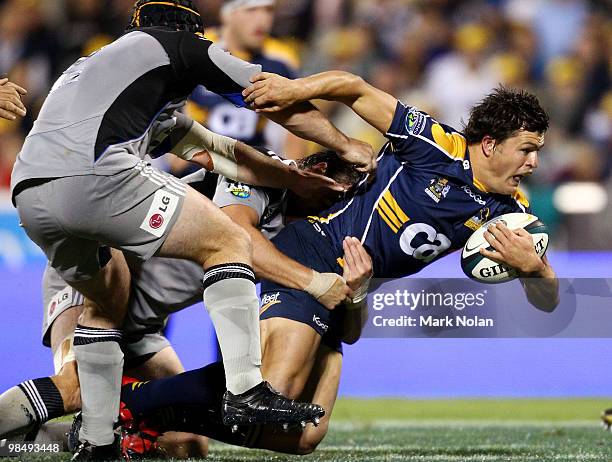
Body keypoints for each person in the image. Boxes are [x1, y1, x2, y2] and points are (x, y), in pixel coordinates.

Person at [113, 78, 561, 455]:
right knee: (276, 389)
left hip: (352, 289)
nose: (534, 162)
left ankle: (156, 413)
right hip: (313, 250)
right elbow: (353, 87)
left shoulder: (508, 212)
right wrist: (295, 88)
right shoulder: (436, 145)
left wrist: (537, 271)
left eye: (537, 151)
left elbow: (549, 306)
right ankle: (135, 402)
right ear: (489, 143)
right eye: (526, 149)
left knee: (302, 435)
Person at [8, 0, 374, 458]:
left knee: (183, 443)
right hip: (94, 185)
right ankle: (245, 389)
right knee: (227, 242)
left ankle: (94, 443)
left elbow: (212, 148)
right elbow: (269, 96)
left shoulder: (108, 77)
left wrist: (292, 177)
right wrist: (344, 142)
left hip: (36, 195)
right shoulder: (178, 47)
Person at [0, 148, 366, 459]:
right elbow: (238, 237)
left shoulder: (304, 236)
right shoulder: (263, 173)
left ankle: (35, 443)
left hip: (139, 324)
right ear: (316, 171)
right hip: (96, 275)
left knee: (185, 441)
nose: (336, 214)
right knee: (79, 387)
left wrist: (354, 293)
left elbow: (338, 329)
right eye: (336, 199)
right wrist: (314, 282)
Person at [186, 0, 306, 162]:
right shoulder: (194, 49)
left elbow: (297, 124)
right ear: (227, 15)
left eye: (268, 10)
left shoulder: (281, 60)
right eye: (252, 10)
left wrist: (294, 180)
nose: (262, 19)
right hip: (197, 160)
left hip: (254, 162)